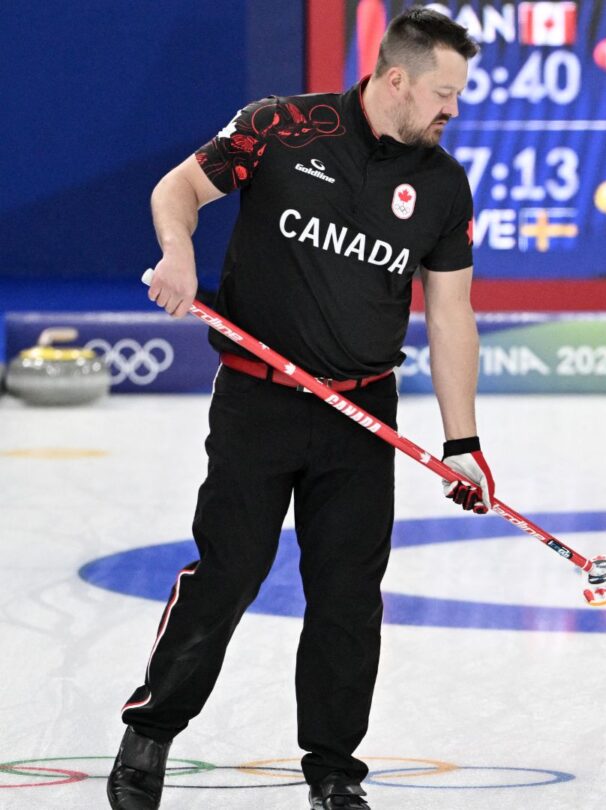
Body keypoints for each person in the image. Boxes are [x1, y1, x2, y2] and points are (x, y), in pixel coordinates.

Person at [108, 9, 497, 810]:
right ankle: (151, 733)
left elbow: (452, 315)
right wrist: (179, 253)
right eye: (443, 94)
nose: (452, 110)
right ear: (396, 79)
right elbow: (178, 188)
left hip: (362, 416)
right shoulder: (280, 128)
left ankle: (331, 771)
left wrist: (464, 441)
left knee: (349, 597)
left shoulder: (441, 184)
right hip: (259, 401)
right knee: (229, 573)